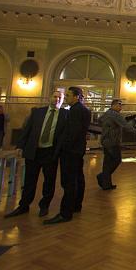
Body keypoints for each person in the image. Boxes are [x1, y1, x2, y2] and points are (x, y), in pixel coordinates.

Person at [5, 90, 68, 218]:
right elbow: (27, 129)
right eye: (55, 96)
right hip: (34, 151)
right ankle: (23, 206)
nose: (57, 99)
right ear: (50, 97)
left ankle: (44, 206)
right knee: (29, 180)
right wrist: (20, 145)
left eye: (59, 98)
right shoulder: (38, 112)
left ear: (62, 100)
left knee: (49, 181)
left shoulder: (65, 115)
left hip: (50, 152)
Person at [44, 86, 90, 225]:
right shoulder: (84, 110)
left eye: (69, 95)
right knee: (78, 179)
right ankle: (76, 205)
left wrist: (63, 148)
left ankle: (65, 213)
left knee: (69, 182)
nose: (66, 98)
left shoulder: (75, 110)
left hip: (70, 152)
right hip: (77, 151)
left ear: (76, 97)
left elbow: (72, 133)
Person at [97, 99, 136, 190]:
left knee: (107, 163)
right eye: (119, 105)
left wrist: (107, 127)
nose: (121, 107)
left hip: (105, 141)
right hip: (113, 141)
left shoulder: (107, 113)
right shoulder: (115, 114)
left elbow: (99, 120)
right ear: (113, 105)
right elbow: (126, 125)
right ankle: (102, 176)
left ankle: (106, 184)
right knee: (116, 160)